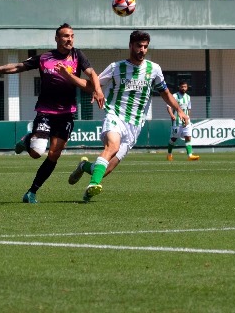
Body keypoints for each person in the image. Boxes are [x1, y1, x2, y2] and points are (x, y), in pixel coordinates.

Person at [0, 23, 104, 204]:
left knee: (53, 155)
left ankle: (32, 192)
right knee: (36, 152)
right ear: (56, 38)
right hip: (46, 112)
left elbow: (92, 74)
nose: (69, 39)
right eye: (65, 36)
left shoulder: (77, 55)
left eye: (72, 36)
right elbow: (17, 67)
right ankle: (27, 141)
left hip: (66, 114)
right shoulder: (45, 58)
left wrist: (97, 90)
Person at [64, 30, 190, 202]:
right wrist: (68, 76)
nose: (142, 50)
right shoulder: (116, 67)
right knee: (112, 146)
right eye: (139, 46)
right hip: (115, 116)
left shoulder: (154, 69)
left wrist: (180, 110)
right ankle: (93, 184)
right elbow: (92, 85)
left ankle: (83, 166)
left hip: (135, 125)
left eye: (145, 47)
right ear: (130, 46)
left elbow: (165, 93)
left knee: (105, 169)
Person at [166, 81, 199, 161]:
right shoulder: (174, 96)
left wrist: (188, 118)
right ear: (179, 87)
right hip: (177, 121)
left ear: (187, 87)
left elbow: (189, 108)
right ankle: (169, 154)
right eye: (182, 87)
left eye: (185, 87)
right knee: (174, 138)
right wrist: (172, 115)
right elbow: (169, 106)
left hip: (186, 122)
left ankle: (190, 156)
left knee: (188, 137)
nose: (183, 88)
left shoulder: (188, 97)